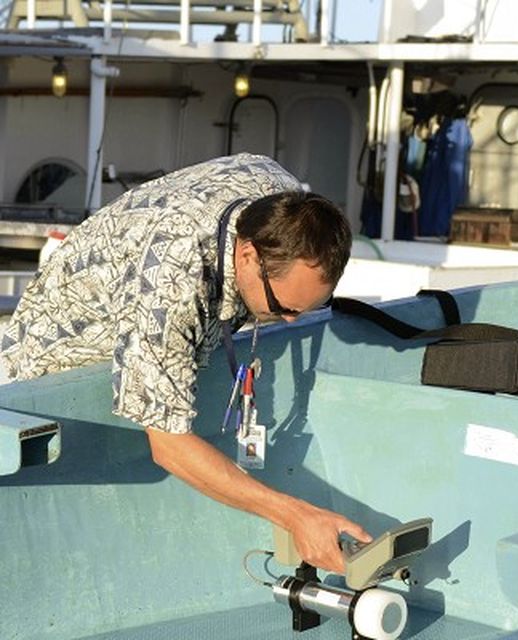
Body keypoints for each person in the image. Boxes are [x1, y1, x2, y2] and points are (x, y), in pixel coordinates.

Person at [0, 153, 370, 572]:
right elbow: (170, 446)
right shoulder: (172, 282)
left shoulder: (281, 196)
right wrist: (296, 516)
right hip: (56, 364)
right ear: (247, 255)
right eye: (282, 307)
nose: (290, 321)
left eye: (304, 310)